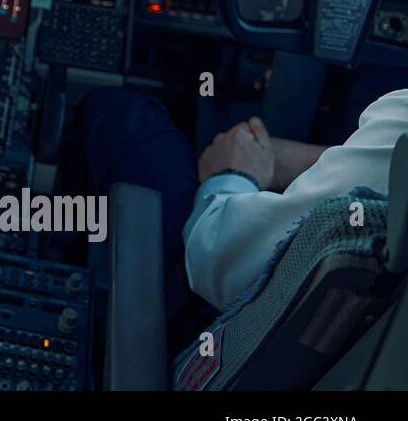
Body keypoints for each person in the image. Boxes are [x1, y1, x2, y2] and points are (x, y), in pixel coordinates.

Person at [74, 83, 398, 336]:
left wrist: (232, 176)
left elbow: (220, 255)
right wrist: (282, 160)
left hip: (215, 318)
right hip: (330, 348)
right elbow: (383, 166)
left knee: (121, 113)